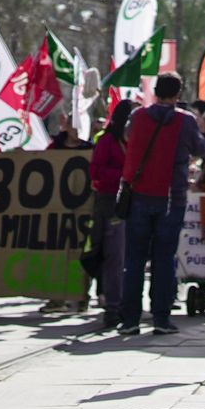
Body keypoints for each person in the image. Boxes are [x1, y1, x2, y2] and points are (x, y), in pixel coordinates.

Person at [118, 73, 194, 337]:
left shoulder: (138, 116)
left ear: (155, 90)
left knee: (135, 260)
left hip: (139, 195)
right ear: (178, 93)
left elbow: (129, 139)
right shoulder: (185, 121)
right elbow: (200, 148)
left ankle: (130, 320)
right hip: (172, 198)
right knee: (164, 259)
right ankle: (161, 318)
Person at [90, 98, 133, 329]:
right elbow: (95, 170)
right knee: (114, 255)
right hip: (111, 202)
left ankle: (126, 303)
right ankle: (112, 307)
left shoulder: (135, 140)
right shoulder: (107, 140)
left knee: (128, 256)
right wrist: (123, 175)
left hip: (135, 200)